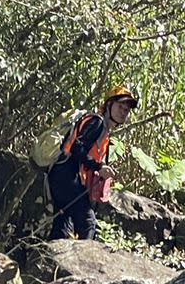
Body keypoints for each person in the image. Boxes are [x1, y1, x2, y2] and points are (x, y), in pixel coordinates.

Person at [47, 85, 138, 240]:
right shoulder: (96, 123)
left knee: (63, 224)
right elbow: (77, 148)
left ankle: (47, 260)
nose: (123, 112)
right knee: (87, 223)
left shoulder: (103, 130)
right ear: (108, 105)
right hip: (67, 176)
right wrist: (99, 167)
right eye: (120, 106)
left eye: (126, 109)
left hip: (60, 176)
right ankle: (86, 262)